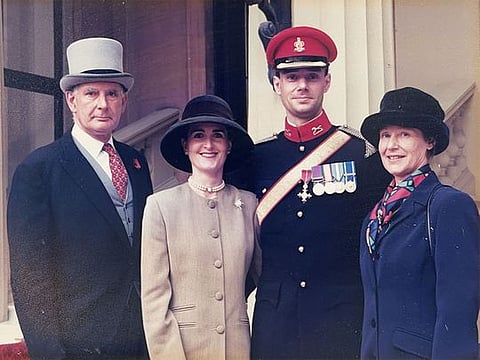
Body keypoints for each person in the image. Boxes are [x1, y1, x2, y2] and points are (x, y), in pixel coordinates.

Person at [243, 26, 390, 359]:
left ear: (327, 81)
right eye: (291, 76)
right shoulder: (255, 158)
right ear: (276, 84)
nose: (302, 85)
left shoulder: (361, 154)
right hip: (275, 323)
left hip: (339, 320)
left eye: (312, 75)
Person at [7, 37, 153, 359]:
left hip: (140, 341)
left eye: (112, 93)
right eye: (91, 93)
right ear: (72, 100)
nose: (103, 104)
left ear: (123, 102)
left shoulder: (136, 162)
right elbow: (30, 279)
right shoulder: (39, 169)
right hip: (78, 346)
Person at [359, 86, 480, 359]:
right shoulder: (374, 216)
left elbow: (458, 310)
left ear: (430, 142)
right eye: (385, 135)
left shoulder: (448, 205)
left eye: (404, 134)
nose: (391, 146)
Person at [141, 95, 261, 360]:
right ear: (186, 145)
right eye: (198, 135)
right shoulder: (161, 207)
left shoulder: (249, 204)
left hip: (239, 350)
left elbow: (257, 279)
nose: (208, 144)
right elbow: (154, 302)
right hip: (183, 350)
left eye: (218, 135)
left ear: (228, 145)